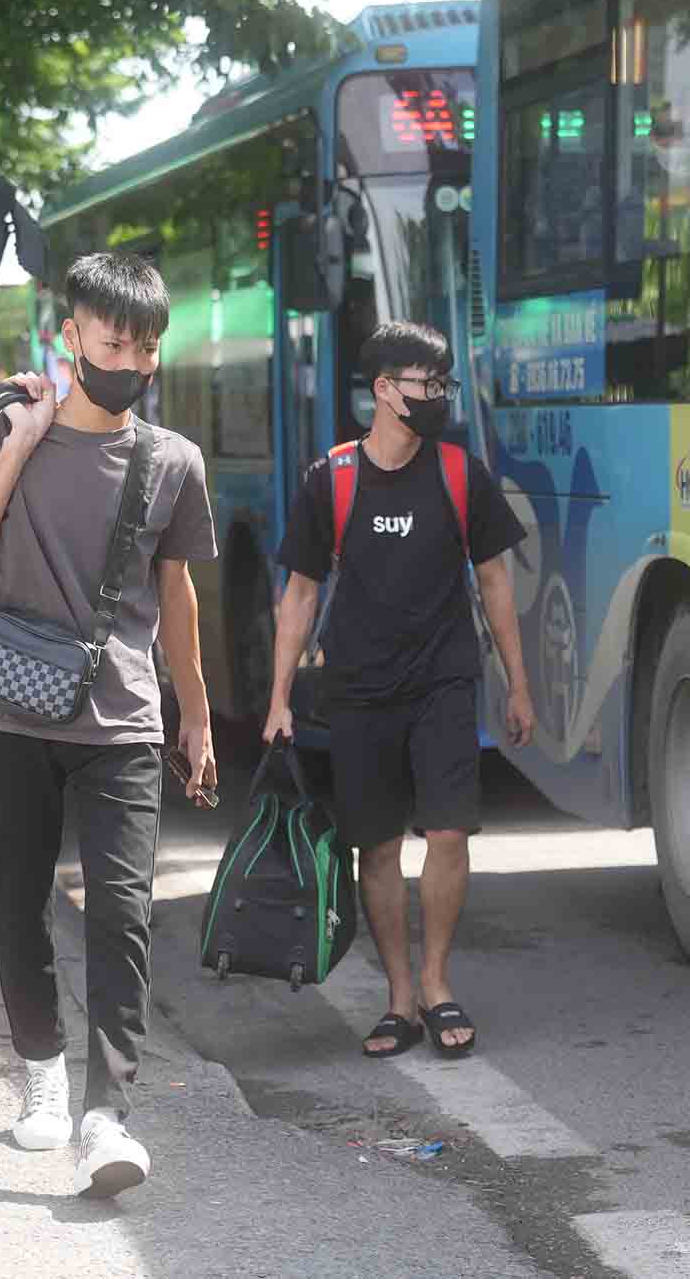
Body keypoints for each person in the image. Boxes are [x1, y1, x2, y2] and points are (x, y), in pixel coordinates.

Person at [0, 251, 217, 1198]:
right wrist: (17, 438)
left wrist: (198, 714)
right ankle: (41, 1071)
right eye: (111, 338)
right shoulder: (10, 428)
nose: (127, 357)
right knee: (17, 898)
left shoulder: (172, 461)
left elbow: (176, 596)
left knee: (124, 913)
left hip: (121, 716)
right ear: (70, 336)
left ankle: (106, 1117)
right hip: (8, 710)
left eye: (143, 344)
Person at [265, 320, 534, 1059]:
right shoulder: (334, 478)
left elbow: (494, 581)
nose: (438, 397)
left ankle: (438, 982)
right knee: (376, 848)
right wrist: (279, 696)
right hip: (359, 687)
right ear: (384, 390)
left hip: (444, 679)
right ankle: (399, 998)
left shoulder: (459, 473)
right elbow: (300, 595)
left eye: (443, 384)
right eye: (426, 384)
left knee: (449, 831)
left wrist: (519, 683)